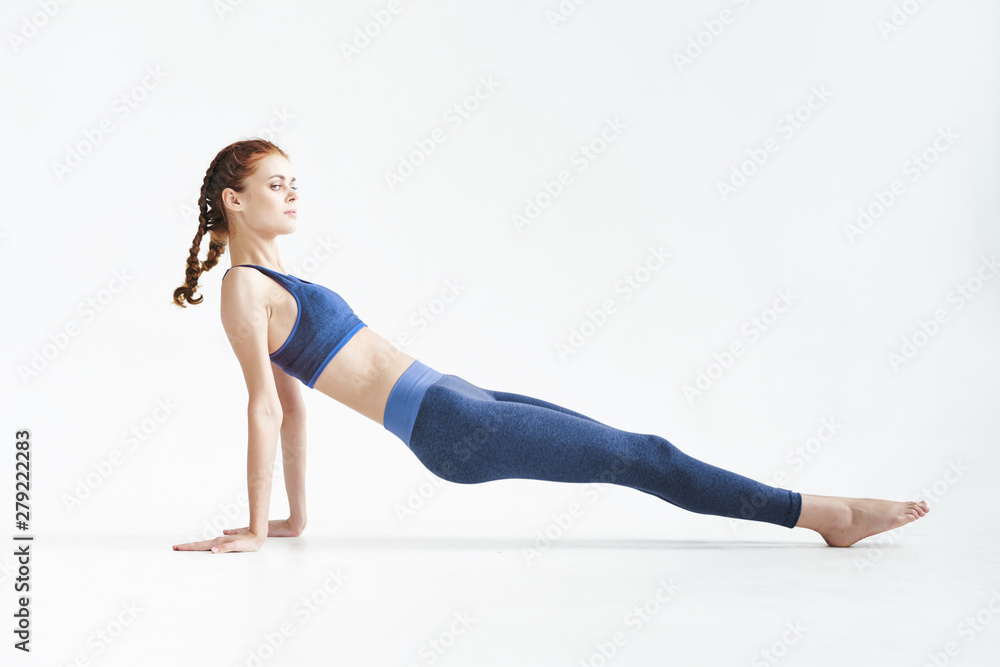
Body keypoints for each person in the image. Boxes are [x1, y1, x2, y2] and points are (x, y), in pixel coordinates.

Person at [171, 139, 929, 554]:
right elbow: (267, 410)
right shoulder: (244, 288)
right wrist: (260, 530)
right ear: (234, 201)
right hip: (455, 428)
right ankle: (825, 513)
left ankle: (822, 512)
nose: (294, 192)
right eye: (277, 184)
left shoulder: (277, 280)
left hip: (460, 398)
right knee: (644, 455)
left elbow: (298, 412)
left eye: (295, 180)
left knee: (637, 448)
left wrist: (292, 522)